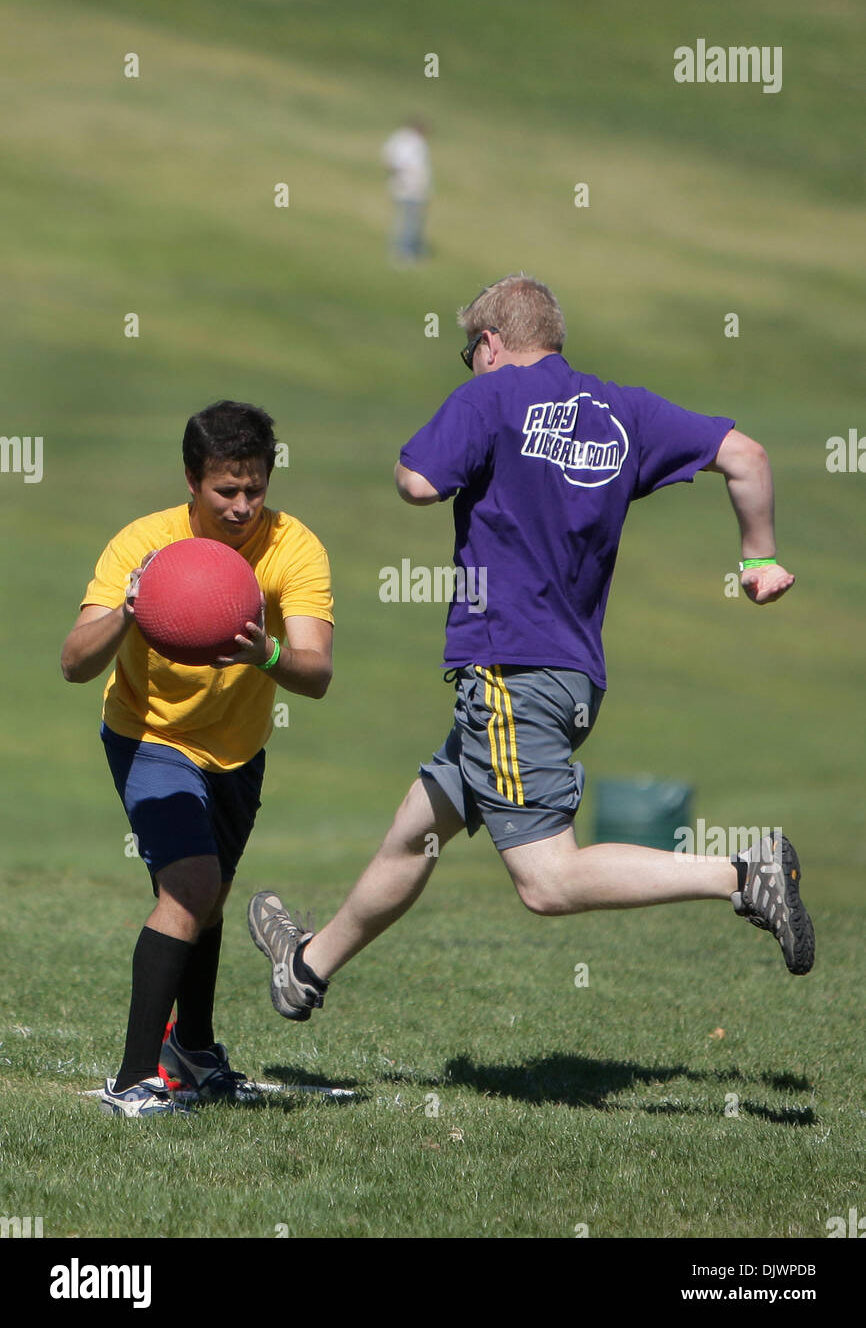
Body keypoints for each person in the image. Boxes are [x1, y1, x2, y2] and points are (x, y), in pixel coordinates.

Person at [248, 273, 813, 1026]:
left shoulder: (490, 396)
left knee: (546, 880)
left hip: (508, 669)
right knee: (416, 832)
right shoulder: (626, 409)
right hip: (572, 677)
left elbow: (417, 482)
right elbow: (747, 455)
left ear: (489, 343)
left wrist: (425, 456)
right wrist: (755, 561)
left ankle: (745, 873)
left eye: (467, 352)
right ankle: (307, 969)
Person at [61, 400, 334, 1114]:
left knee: (207, 899)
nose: (243, 506)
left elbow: (316, 672)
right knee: (188, 885)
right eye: (226, 490)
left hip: (239, 749)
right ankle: (131, 1083)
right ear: (191, 479)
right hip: (149, 735)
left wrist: (264, 652)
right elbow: (73, 663)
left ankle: (194, 1050)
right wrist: (129, 607)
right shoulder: (143, 545)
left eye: (255, 488)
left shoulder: (293, 548)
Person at [381, 119, 432, 264]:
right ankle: (404, 252)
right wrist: (404, 179)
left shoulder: (404, 140)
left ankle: (410, 250)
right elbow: (395, 163)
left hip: (414, 188)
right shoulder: (409, 142)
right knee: (409, 222)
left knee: (413, 222)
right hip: (408, 187)